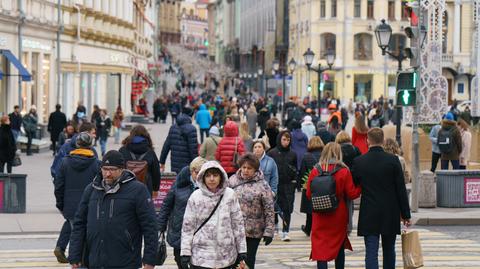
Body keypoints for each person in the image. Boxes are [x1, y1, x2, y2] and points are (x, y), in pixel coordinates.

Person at [68, 150, 158, 269]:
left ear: (122, 169)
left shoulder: (138, 190)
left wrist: (149, 260)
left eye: (112, 169)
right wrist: (74, 256)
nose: (108, 174)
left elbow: (150, 226)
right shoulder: (91, 190)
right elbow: (79, 223)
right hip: (95, 261)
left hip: (125, 261)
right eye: (105, 169)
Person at [352, 128, 411, 269]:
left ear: (367, 140)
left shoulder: (359, 161)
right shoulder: (393, 160)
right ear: (383, 141)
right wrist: (405, 214)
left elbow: (354, 184)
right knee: (389, 250)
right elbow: (400, 189)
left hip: (369, 212)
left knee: (371, 252)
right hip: (390, 212)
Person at [180, 161, 247, 269]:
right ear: (203, 177)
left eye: (215, 175)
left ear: (221, 177)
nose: (212, 179)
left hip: (226, 256)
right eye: (208, 176)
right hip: (201, 256)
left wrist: (242, 249)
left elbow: (237, 224)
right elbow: (188, 227)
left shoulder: (230, 195)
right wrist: (185, 252)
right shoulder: (195, 197)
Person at [306, 142, 361, 269]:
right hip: (338, 214)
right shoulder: (343, 171)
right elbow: (352, 194)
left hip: (319, 215)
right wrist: (361, 187)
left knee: (320, 248)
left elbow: (309, 194)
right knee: (339, 245)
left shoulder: (315, 170)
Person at [53, 132, 99, 263]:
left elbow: (59, 186)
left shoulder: (65, 162)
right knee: (87, 236)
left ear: (77, 144)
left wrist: (60, 204)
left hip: (70, 205)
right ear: (90, 145)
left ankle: (74, 260)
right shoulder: (96, 163)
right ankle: (82, 261)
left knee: (75, 233)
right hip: (91, 205)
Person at [157, 157, 207, 269]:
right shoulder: (179, 183)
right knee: (180, 260)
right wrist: (160, 226)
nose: (199, 176)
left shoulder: (208, 187)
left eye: (202, 173)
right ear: (191, 171)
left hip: (200, 232)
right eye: (197, 172)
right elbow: (166, 205)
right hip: (179, 229)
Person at [227, 153, 275, 269]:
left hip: (254, 231)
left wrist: (269, 231)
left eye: (249, 168)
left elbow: (269, 209)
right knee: (233, 260)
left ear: (255, 169)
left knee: (248, 260)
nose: (246, 170)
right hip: (234, 229)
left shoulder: (263, 185)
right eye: (243, 167)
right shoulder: (232, 181)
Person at [267, 131, 297, 241]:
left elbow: (295, 168)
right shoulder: (272, 153)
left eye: (288, 140)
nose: (286, 142)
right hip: (275, 184)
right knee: (274, 207)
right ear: (280, 139)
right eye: (284, 139)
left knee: (287, 208)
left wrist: (294, 181)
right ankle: (275, 228)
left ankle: (286, 231)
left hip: (288, 184)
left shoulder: (292, 154)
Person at [119, 125, 161, 196]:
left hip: (126, 188)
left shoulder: (123, 150)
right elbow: (156, 172)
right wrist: (155, 189)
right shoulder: (150, 152)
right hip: (146, 188)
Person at [335, 131, 361, 236]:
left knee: (339, 203)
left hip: (339, 179)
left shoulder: (336, 150)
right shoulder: (355, 149)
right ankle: (348, 225)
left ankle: (340, 224)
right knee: (349, 203)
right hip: (352, 179)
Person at [299, 136, 324, 236]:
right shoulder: (324, 155)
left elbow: (302, 173)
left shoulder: (306, 156)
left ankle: (308, 228)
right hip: (323, 184)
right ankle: (320, 228)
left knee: (309, 211)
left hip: (310, 183)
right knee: (321, 209)